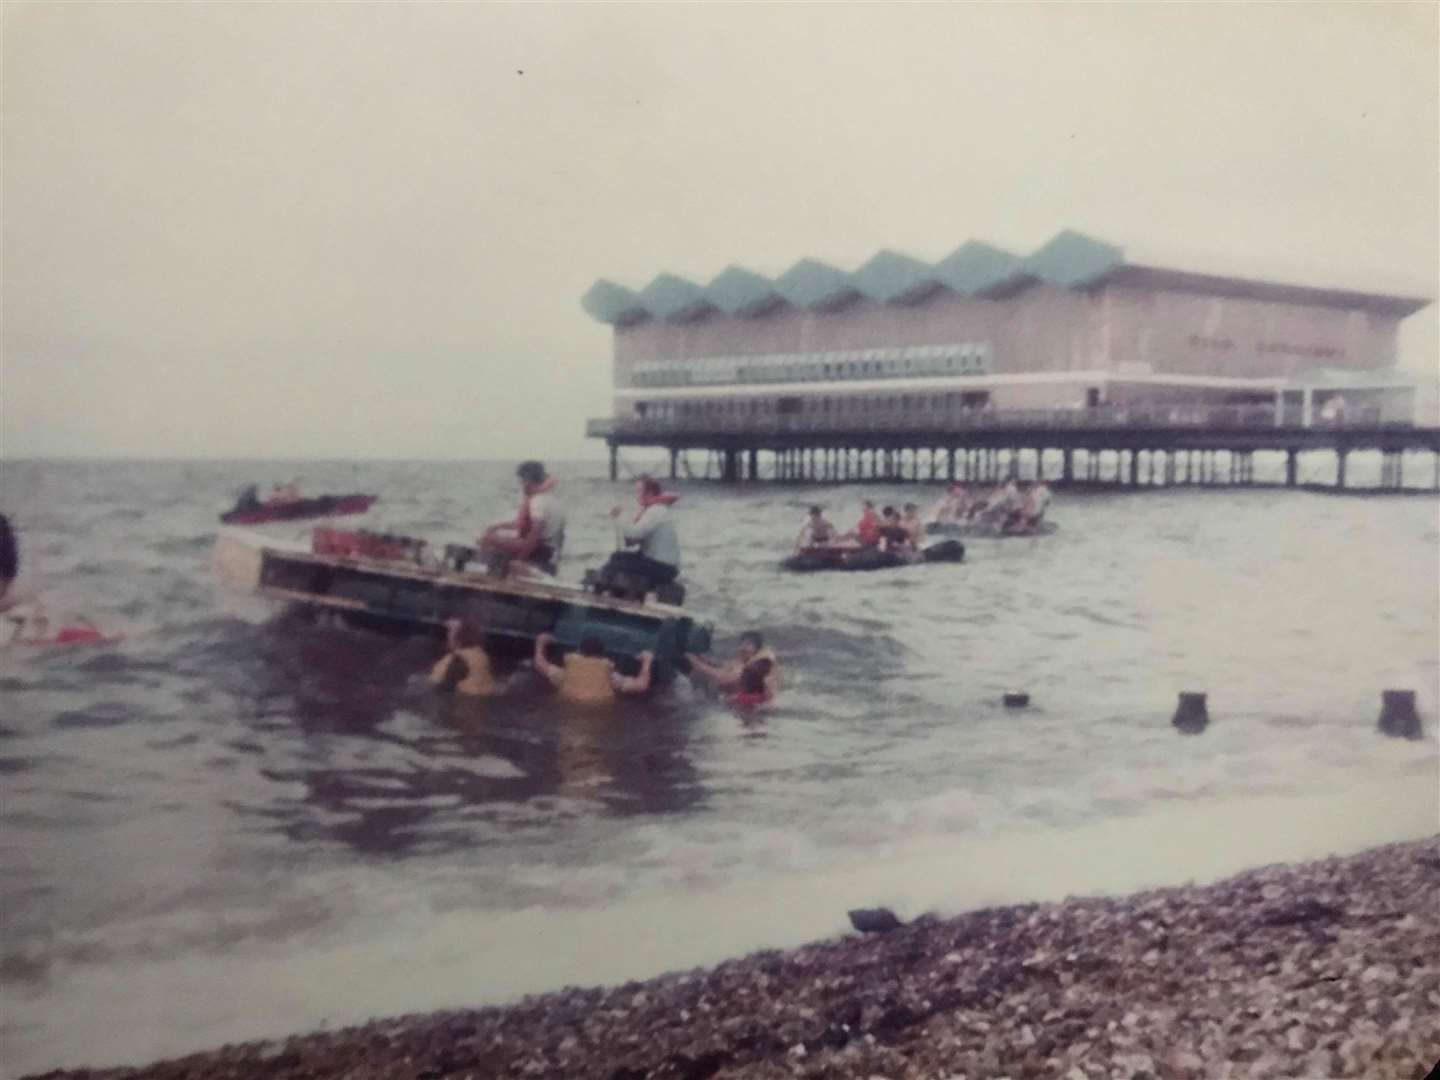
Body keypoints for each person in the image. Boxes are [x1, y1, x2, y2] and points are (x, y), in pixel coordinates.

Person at [480, 460, 567, 576]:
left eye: (521, 481)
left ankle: (489, 574)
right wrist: (496, 526)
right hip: (549, 551)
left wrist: (520, 559)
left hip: (539, 549)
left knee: (487, 539)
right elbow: (523, 525)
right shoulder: (553, 499)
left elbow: (535, 532)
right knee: (496, 535)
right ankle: (508, 569)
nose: (521, 485)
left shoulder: (538, 501)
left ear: (527, 480)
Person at [602, 476, 681, 593]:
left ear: (649, 493)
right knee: (619, 557)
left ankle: (605, 593)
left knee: (616, 560)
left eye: (639, 491)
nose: (636, 494)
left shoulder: (656, 511)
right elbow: (631, 542)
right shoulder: (657, 509)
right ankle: (623, 595)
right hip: (663, 565)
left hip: (663, 567)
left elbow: (635, 534)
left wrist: (618, 518)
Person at [533, 632, 653, 704]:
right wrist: (647, 661)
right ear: (602, 656)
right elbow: (641, 685)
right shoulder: (611, 678)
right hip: (599, 711)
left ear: (579, 652)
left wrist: (540, 643)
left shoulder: (566, 675)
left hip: (569, 704)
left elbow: (539, 664)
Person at [686, 631, 782, 710]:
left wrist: (696, 662)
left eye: (748, 644)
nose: (743, 648)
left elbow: (724, 678)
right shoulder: (744, 661)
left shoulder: (757, 665)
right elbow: (725, 667)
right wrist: (704, 659)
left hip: (756, 703)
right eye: (742, 644)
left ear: (757, 649)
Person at [429, 618, 499, 697]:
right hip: (483, 698)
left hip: (464, 700)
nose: (447, 637)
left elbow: (435, 683)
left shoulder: (454, 659)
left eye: (450, 632)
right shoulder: (481, 655)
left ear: (457, 637)